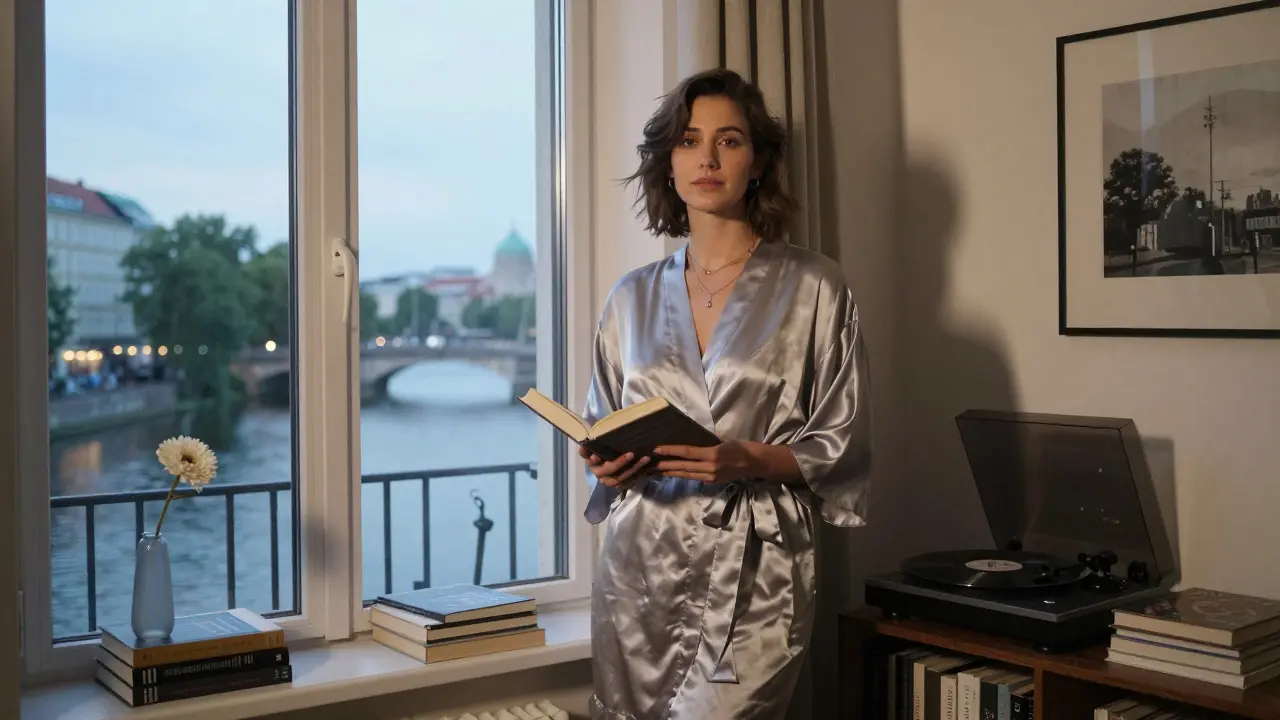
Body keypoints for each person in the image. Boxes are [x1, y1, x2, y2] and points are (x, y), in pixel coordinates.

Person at [581, 67, 872, 720]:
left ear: (760, 161)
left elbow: (842, 442)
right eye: (689, 140)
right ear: (668, 163)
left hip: (759, 569)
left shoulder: (816, 287)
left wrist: (746, 459)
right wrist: (603, 458)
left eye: (730, 140)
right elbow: (603, 421)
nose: (707, 158)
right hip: (639, 568)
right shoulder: (628, 298)